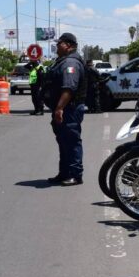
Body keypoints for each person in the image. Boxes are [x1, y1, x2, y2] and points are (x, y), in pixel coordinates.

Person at [43, 33, 87, 186]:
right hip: (65, 108)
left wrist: (60, 108)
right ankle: (64, 173)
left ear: (68, 45)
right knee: (63, 142)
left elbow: (69, 88)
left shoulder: (70, 63)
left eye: (59, 43)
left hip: (69, 109)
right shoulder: (63, 61)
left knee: (72, 141)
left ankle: (75, 175)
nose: (56, 46)